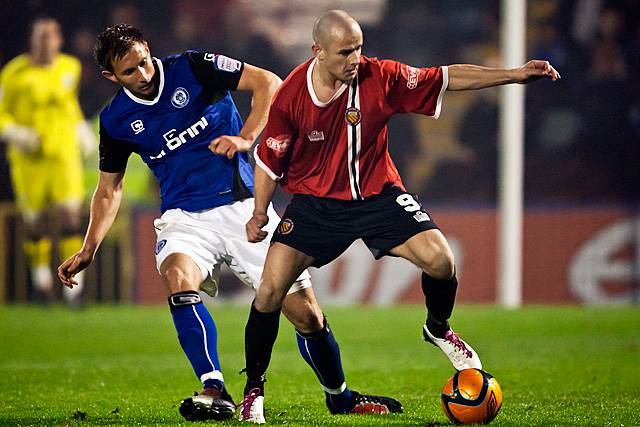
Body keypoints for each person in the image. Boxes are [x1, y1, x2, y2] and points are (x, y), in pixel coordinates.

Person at [57, 24, 401, 423]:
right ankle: (213, 387)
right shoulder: (116, 120)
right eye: (131, 71)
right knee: (177, 278)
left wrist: (246, 137)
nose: (145, 75)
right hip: (185, 218)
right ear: (111, 77)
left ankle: (339, 395)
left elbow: (267, 82)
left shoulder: (193, 67)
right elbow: (108, 190)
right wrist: (89, 247)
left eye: (145, 62)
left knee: (306, 315)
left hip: (243, 208)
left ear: (150, 50)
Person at [242, 9, 561, 421]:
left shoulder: (382, 77)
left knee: (441, 260)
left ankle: (438, 328)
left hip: (378, 196)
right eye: (344, 53)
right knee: (269, 292)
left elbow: (447, 76)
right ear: (317, 51)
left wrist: (514, 74)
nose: (356, 59)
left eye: (359, 49)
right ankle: (253, 392)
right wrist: (258, 212)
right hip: (316, 204)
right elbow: (270, 162)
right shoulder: (291, 96)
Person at [0, 17, 96, 305]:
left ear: (59, 41)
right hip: (29, 159)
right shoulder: (14, 73)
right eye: (41, 36)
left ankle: (74, 290)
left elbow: (70, 105)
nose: (46, 42)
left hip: (63, 154)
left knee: (71, 216)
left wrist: (82, 130)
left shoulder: (70, 67)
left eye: (51, 36)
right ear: (33, 40)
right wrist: (16, 133)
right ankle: (40, 283)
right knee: (36, 222)